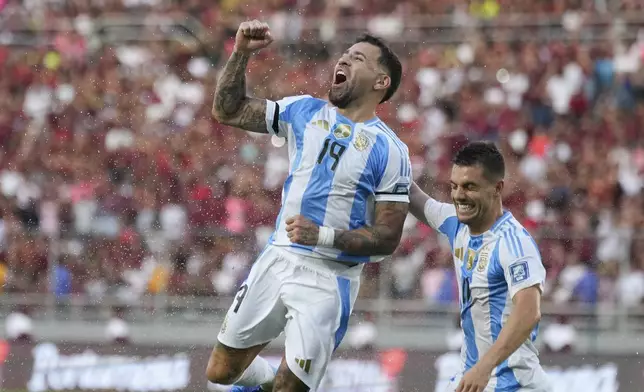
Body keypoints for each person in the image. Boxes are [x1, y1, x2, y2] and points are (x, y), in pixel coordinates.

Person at [207, 20, 410, 392]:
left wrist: (324, 235)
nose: (345, 60)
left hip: (328, 278)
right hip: (278, 258)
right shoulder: (304, 111)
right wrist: (240, 54)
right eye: (345, 55)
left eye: (359, 58)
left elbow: (387, 238)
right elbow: (228, 110)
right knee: (220, 372)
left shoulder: (391, 150)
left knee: (293, 388)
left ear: (381, 82)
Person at [409, 142, 551, 392]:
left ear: (497, 188)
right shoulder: (457, 224)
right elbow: (416, 199)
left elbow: (529, 312)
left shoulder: (514, 244)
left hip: (513, 383)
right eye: (454, 186)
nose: (459, 195)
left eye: (469, 187)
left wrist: (485, 367)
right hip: (474, 378)